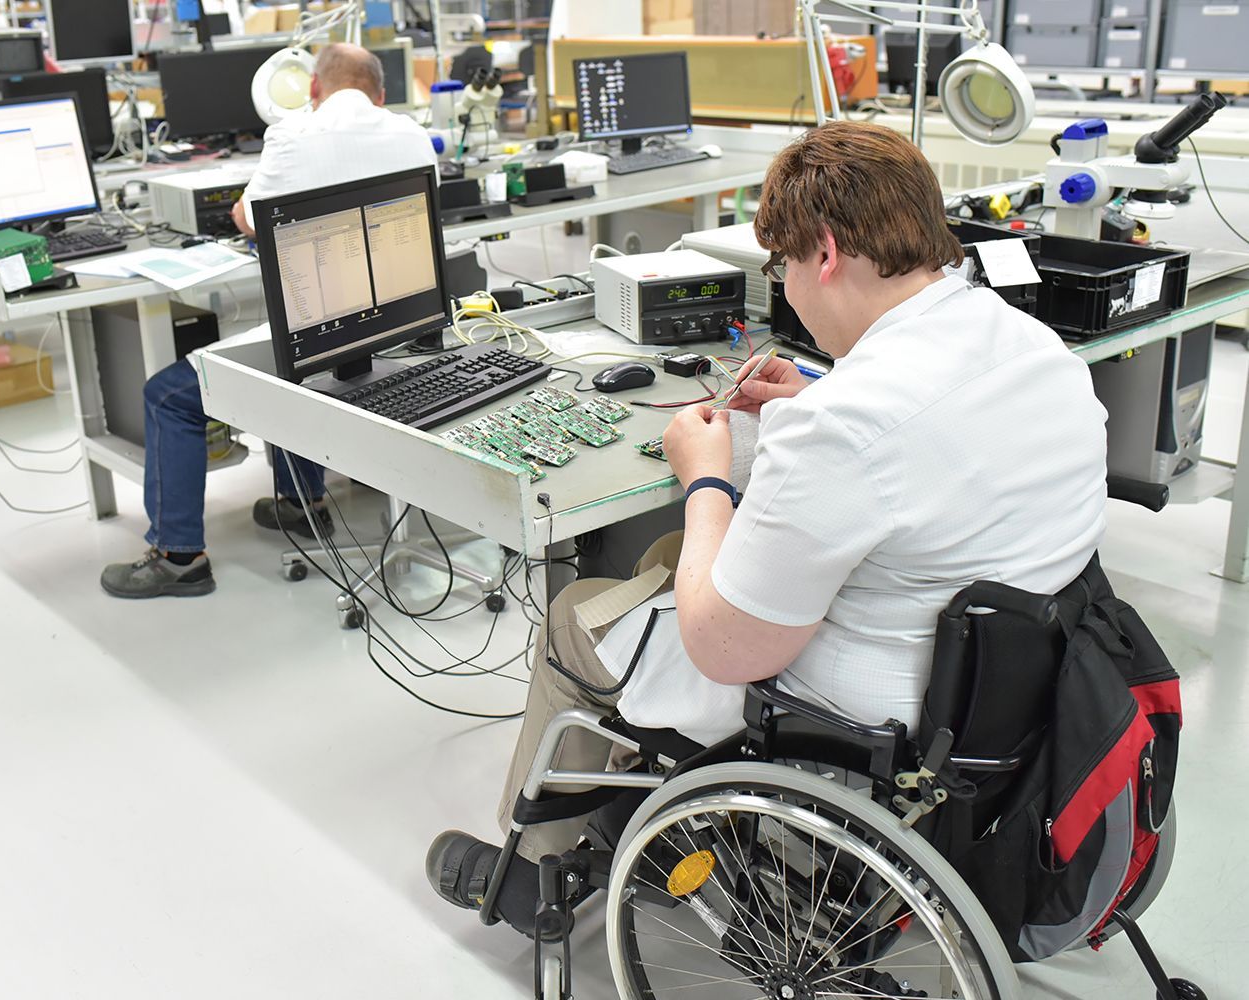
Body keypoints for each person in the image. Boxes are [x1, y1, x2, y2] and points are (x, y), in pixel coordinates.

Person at [425, 120, 1110, 933]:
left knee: (577, 619)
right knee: (667, 557)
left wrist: (705, 474)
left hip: (875, 711)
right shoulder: (1032, 347)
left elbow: (725, 650)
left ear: (823, 253)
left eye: (783, 266)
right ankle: (639, 803)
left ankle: (537, 873)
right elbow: (936, 446)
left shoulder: (844, 425)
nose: (785, 286)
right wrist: (812, 397)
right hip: (1015, 686)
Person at [101, 44, 437, 599]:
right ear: (380, 95)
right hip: (394, 329)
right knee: (306, 360)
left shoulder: (293, 135)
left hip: (318, 335)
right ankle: (301, 505)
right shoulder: (411, 133)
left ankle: (178, 556)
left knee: (173, 394)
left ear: (311, 91)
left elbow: (247, 218)